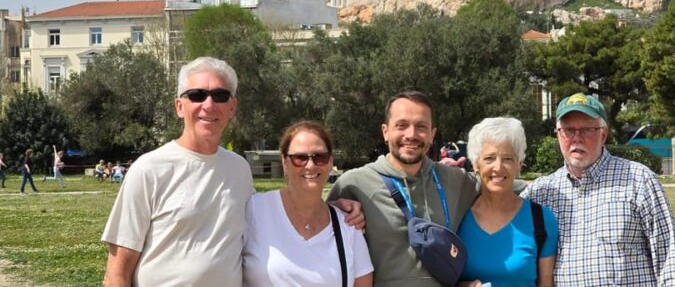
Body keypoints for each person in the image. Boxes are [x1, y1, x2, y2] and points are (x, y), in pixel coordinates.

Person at [101, 57, 363, 287]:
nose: (208, 104)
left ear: (232, 107)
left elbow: (272, 213)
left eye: (220, 96)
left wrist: (331, 209)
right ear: (179, 106)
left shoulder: (239, 169)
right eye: (196, 95)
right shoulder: (149, 169)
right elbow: (116, 274)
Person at [520, 93, 675, 286]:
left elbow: (669, 258)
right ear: (558, 135)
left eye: (586, 129)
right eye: (568, 130)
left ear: (603, 134)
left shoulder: (638, 179)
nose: (576, 138)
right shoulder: (541, 192)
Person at [328, 91, 480, 286]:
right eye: (401, 126)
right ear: (385, 131)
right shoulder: (353, 184)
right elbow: (321, 240)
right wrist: (333, 207)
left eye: (421, 127)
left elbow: (500, 185)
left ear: (432, 134)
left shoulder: (455, 180)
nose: (411, 135)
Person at [243, 121, 373, 286]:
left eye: (320, 157)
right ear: (284, 162)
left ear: (330, 162)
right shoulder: (254, 209)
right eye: (300, 158)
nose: (310, 165)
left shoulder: (348, 225)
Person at [457, 117, 558, 287]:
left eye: (508, 159)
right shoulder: (457, 216)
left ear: (519, 165)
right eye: (489, 158)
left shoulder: (542, 220)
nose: (498, 167)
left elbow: (546, 284)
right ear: (475, 164)